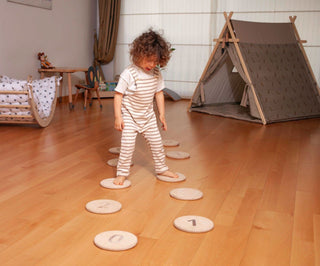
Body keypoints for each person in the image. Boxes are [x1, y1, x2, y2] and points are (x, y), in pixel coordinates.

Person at [113, 29, 178, 185]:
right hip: (129, 116)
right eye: (149, 60)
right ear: (139, 54)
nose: (152, 64)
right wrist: (118, 117)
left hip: (148, 117)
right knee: (127, 145)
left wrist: (162, 114)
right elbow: (118, 95)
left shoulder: (156, 73)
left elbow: (159, 93)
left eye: (155, 61)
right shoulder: (129, 73)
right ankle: (122, 173)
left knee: (157, 143)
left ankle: (161, 168)